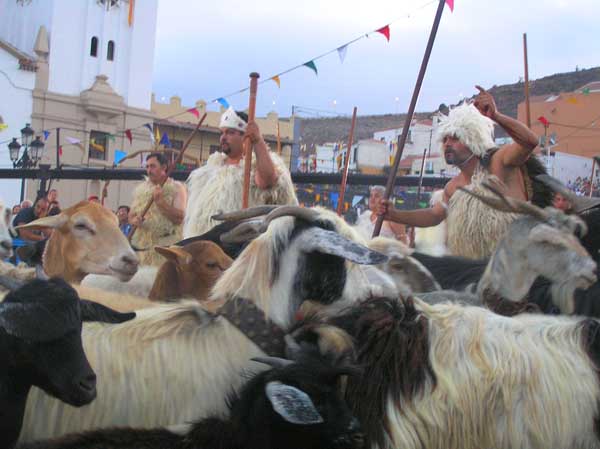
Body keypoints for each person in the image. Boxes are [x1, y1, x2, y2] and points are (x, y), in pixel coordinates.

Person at [377, 86, 541, 259]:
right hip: (476, 273)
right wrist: (395, 214)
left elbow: (530, 142)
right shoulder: (453, 187)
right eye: (445, 139)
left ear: (473, 139)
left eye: (455, 137)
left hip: (514, 266)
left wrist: (496, 117)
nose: (448, 143)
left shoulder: (499, 163)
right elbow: (433, 216)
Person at [183, 107, 297, 238]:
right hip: (202, 244)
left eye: (230, 133)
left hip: (236, 245)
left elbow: (267, 181)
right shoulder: (211, 167)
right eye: (222, 133)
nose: (223, 137)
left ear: (246, 136)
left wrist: (258, 140)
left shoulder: (254, 164)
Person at [129, 152, 187, 266]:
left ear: (164, 167)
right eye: (147, 167)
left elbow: (179, 218)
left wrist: (161, 203)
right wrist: (134, 221)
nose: (149, 170)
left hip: (166, 248)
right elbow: (131, 216)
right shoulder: (141, 189)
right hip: (143, 248)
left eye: (153, 166)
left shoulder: (177, 187)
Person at [12, 197, 49, 264]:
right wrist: (44, 239)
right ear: (35, 205)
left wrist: (42, 221)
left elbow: (49, 235)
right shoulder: (25, 212)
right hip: (15, 239)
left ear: (46, 211)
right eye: (38, 206)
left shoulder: (44, 217)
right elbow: (24, 235)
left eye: (43, 209)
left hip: (31, 242)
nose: (39, 210)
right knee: (35, 246)